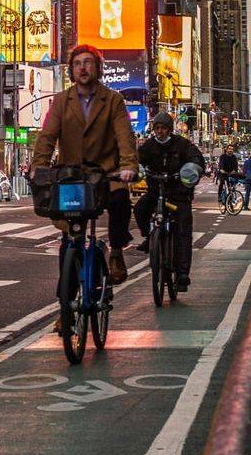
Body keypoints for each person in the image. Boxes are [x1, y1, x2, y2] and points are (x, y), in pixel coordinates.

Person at [31, 44, 138, 299]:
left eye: (88, 62)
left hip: (106, 175)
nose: (83, 68)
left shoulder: (113, 100)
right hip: (73, 177)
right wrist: (39, 167)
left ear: (98, 68)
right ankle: (65, 307)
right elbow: (47, 136)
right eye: (77, 63)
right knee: (69, 243)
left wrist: (128, 167)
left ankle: (117, 252)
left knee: (121, 200)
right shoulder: (61, 100)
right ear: (71, 70)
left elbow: (125, 137)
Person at [133, 112, 205, 291]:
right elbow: (136, 160)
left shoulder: (182, 144)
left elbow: (196, 158)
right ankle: (148, 237)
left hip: (178, 194)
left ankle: (182, 274)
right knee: (140, 209)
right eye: (157, 128)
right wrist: (135, 168)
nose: (160, 131)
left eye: (163, 128)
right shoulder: (148, 146)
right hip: (155, 190)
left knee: (183, 229)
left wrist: (192, 168)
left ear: (170, 129)